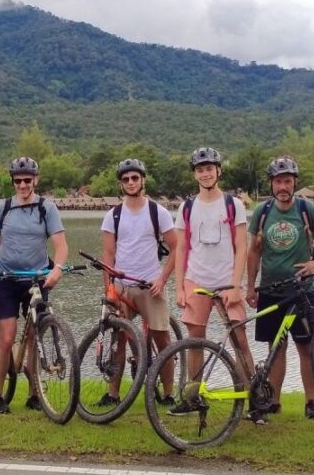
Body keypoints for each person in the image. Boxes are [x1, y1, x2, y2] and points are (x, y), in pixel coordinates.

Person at [246, 156, 314, 422]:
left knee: (306, 348)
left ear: (294, 183)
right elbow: (253, 252)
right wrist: (249, 286)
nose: (283, 186)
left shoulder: (306, 208)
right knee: (275, 348)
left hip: (303, 291)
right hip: (270, 289)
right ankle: (274, 402)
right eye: (278, 181)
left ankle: (311, 402)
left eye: (287, 181)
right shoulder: (262, 211)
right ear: (271, 184)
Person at [172, 148, 254, 414]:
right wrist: (179, 287)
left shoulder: (234, 204)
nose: (205, 174)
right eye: (200, 169)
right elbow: (181, 249)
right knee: (195, 341)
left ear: (218, 171)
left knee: (239, 340)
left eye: (209, 168)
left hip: (226, 279)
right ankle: (193, 397)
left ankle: (253, 399)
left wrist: (235, 284)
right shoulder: (187, 207)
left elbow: (242, 247)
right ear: (195, 174)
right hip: (196, 279)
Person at [0, 156, 68, 413]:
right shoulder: (4, 208)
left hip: (36, 279)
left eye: (27, 180)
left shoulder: (47, 208)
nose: (22, 185)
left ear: (35, 180)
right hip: (6, 279)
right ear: (13, 182)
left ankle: (35, 394)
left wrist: (57, 269)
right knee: (7, 337)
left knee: (35, 335)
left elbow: (61, 245)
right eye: (18, 181)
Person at [100, 158, 177, 407]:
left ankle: (168, 394)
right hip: (122, 286)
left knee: (162, 339)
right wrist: (109, 290)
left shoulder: (158, 212)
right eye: (126, 179)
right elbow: (108, 256)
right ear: (121, 184)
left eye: (135, 178)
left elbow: (178, 248)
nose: (131, 182)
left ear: (143, 180)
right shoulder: (113, 215)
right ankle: (113, 394)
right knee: (118, 339)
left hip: (150, 286)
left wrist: (163, 279)